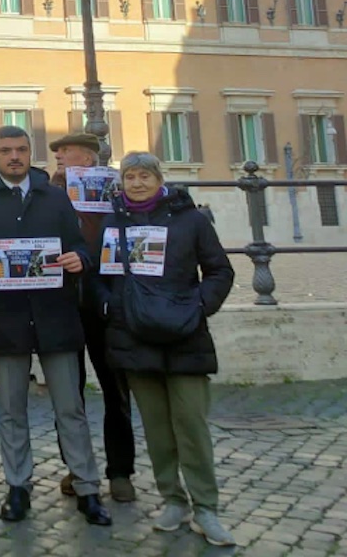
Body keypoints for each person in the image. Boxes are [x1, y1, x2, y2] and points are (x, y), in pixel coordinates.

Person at [0, 125, 112, 526]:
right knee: (10, 409)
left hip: (55, 315)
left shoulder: (56, 198)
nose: (14, 157)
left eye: (21, 149)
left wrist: (80, 259)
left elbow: (79, 245)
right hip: (4, 318)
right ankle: (17, 486)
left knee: (71, 408)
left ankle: (88, 488)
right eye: (6, 150)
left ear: (29, 153)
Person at [96, 152, 236, 546]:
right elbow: (100, 276)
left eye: (144, 176)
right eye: (130, 177)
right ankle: (172, 499)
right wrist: (109, 305)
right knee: (157, 428)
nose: (137, 183)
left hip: (184, 334)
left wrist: (200, 305)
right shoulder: (113, 222)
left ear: (160, 179)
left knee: (191, 424)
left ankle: (205, 507)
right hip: (134, 335)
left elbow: (220, 270)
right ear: (121, 182)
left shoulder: (191, 220)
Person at [48, 132, 137, 503]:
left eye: (66, 154)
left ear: (88, 160)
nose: (59, 160)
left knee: (116, 389)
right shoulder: (48, 194)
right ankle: (77, 467)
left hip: (106, 303)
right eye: (58, 155)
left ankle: (120, 471)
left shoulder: (117, 197)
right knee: (68, 393)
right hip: (63, 303)